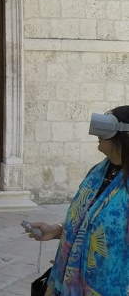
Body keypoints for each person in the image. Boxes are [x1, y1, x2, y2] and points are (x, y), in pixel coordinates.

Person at [26, 106, 129, 296]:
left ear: (122, 136)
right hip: (67, 284)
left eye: (106, 128)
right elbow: (89, 221)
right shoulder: (97, 173)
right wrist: (58, 230)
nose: (97, 134)